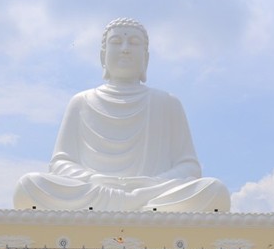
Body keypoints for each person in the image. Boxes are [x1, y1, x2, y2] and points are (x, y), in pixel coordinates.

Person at [13, 18, 230, 213]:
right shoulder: (81, 101)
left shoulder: (168, 103)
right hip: (97, 191)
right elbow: (61, 162)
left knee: (214, 190)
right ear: (102, 55)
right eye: (116, 42)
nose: (125, 49)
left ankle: (139, 202)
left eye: (134, 43)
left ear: (146, 57)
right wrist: (94, 179)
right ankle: (139, 207)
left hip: (151, 191)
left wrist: (149, 185)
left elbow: (190, 167)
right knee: (28, 186)